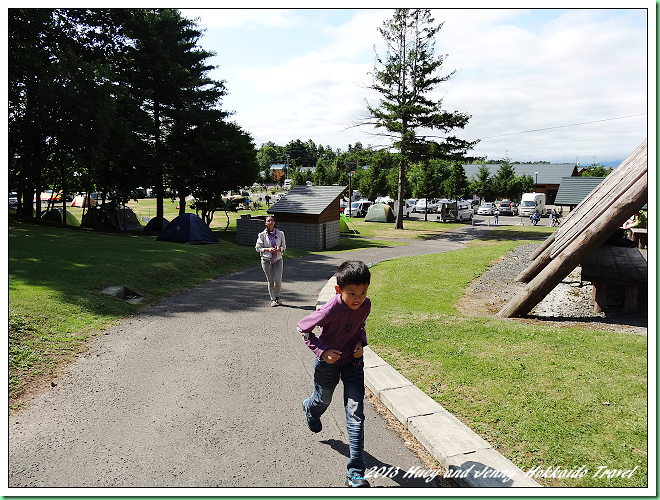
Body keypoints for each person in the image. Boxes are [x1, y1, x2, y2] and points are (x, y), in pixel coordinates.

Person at [297, 260, 372, 488]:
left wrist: (361, 342)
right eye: (352, 293)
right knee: (323, 399)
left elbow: (360, 325)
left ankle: (355, 472)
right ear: (339, 290)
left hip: (353, 364)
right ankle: (310, 408)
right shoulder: (330, 309)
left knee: (355, 413)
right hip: (328, 364)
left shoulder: (365, 304)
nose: (358, 298)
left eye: (363, 292)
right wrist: (323, 350)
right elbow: (303, 328)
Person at [255, 215, 286, 306]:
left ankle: (277, 297)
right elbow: (258, 248)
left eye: (272, 220)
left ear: (274, 222)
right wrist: (268, 249)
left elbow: (284, 246)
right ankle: (273, 299)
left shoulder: (280, 234)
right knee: (271, 281)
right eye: (268, 221)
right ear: (265, 223)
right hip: (266, 260)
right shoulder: (262, 235)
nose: (270, 222)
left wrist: (279, 249)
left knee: (278, 280)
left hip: (278, 259)